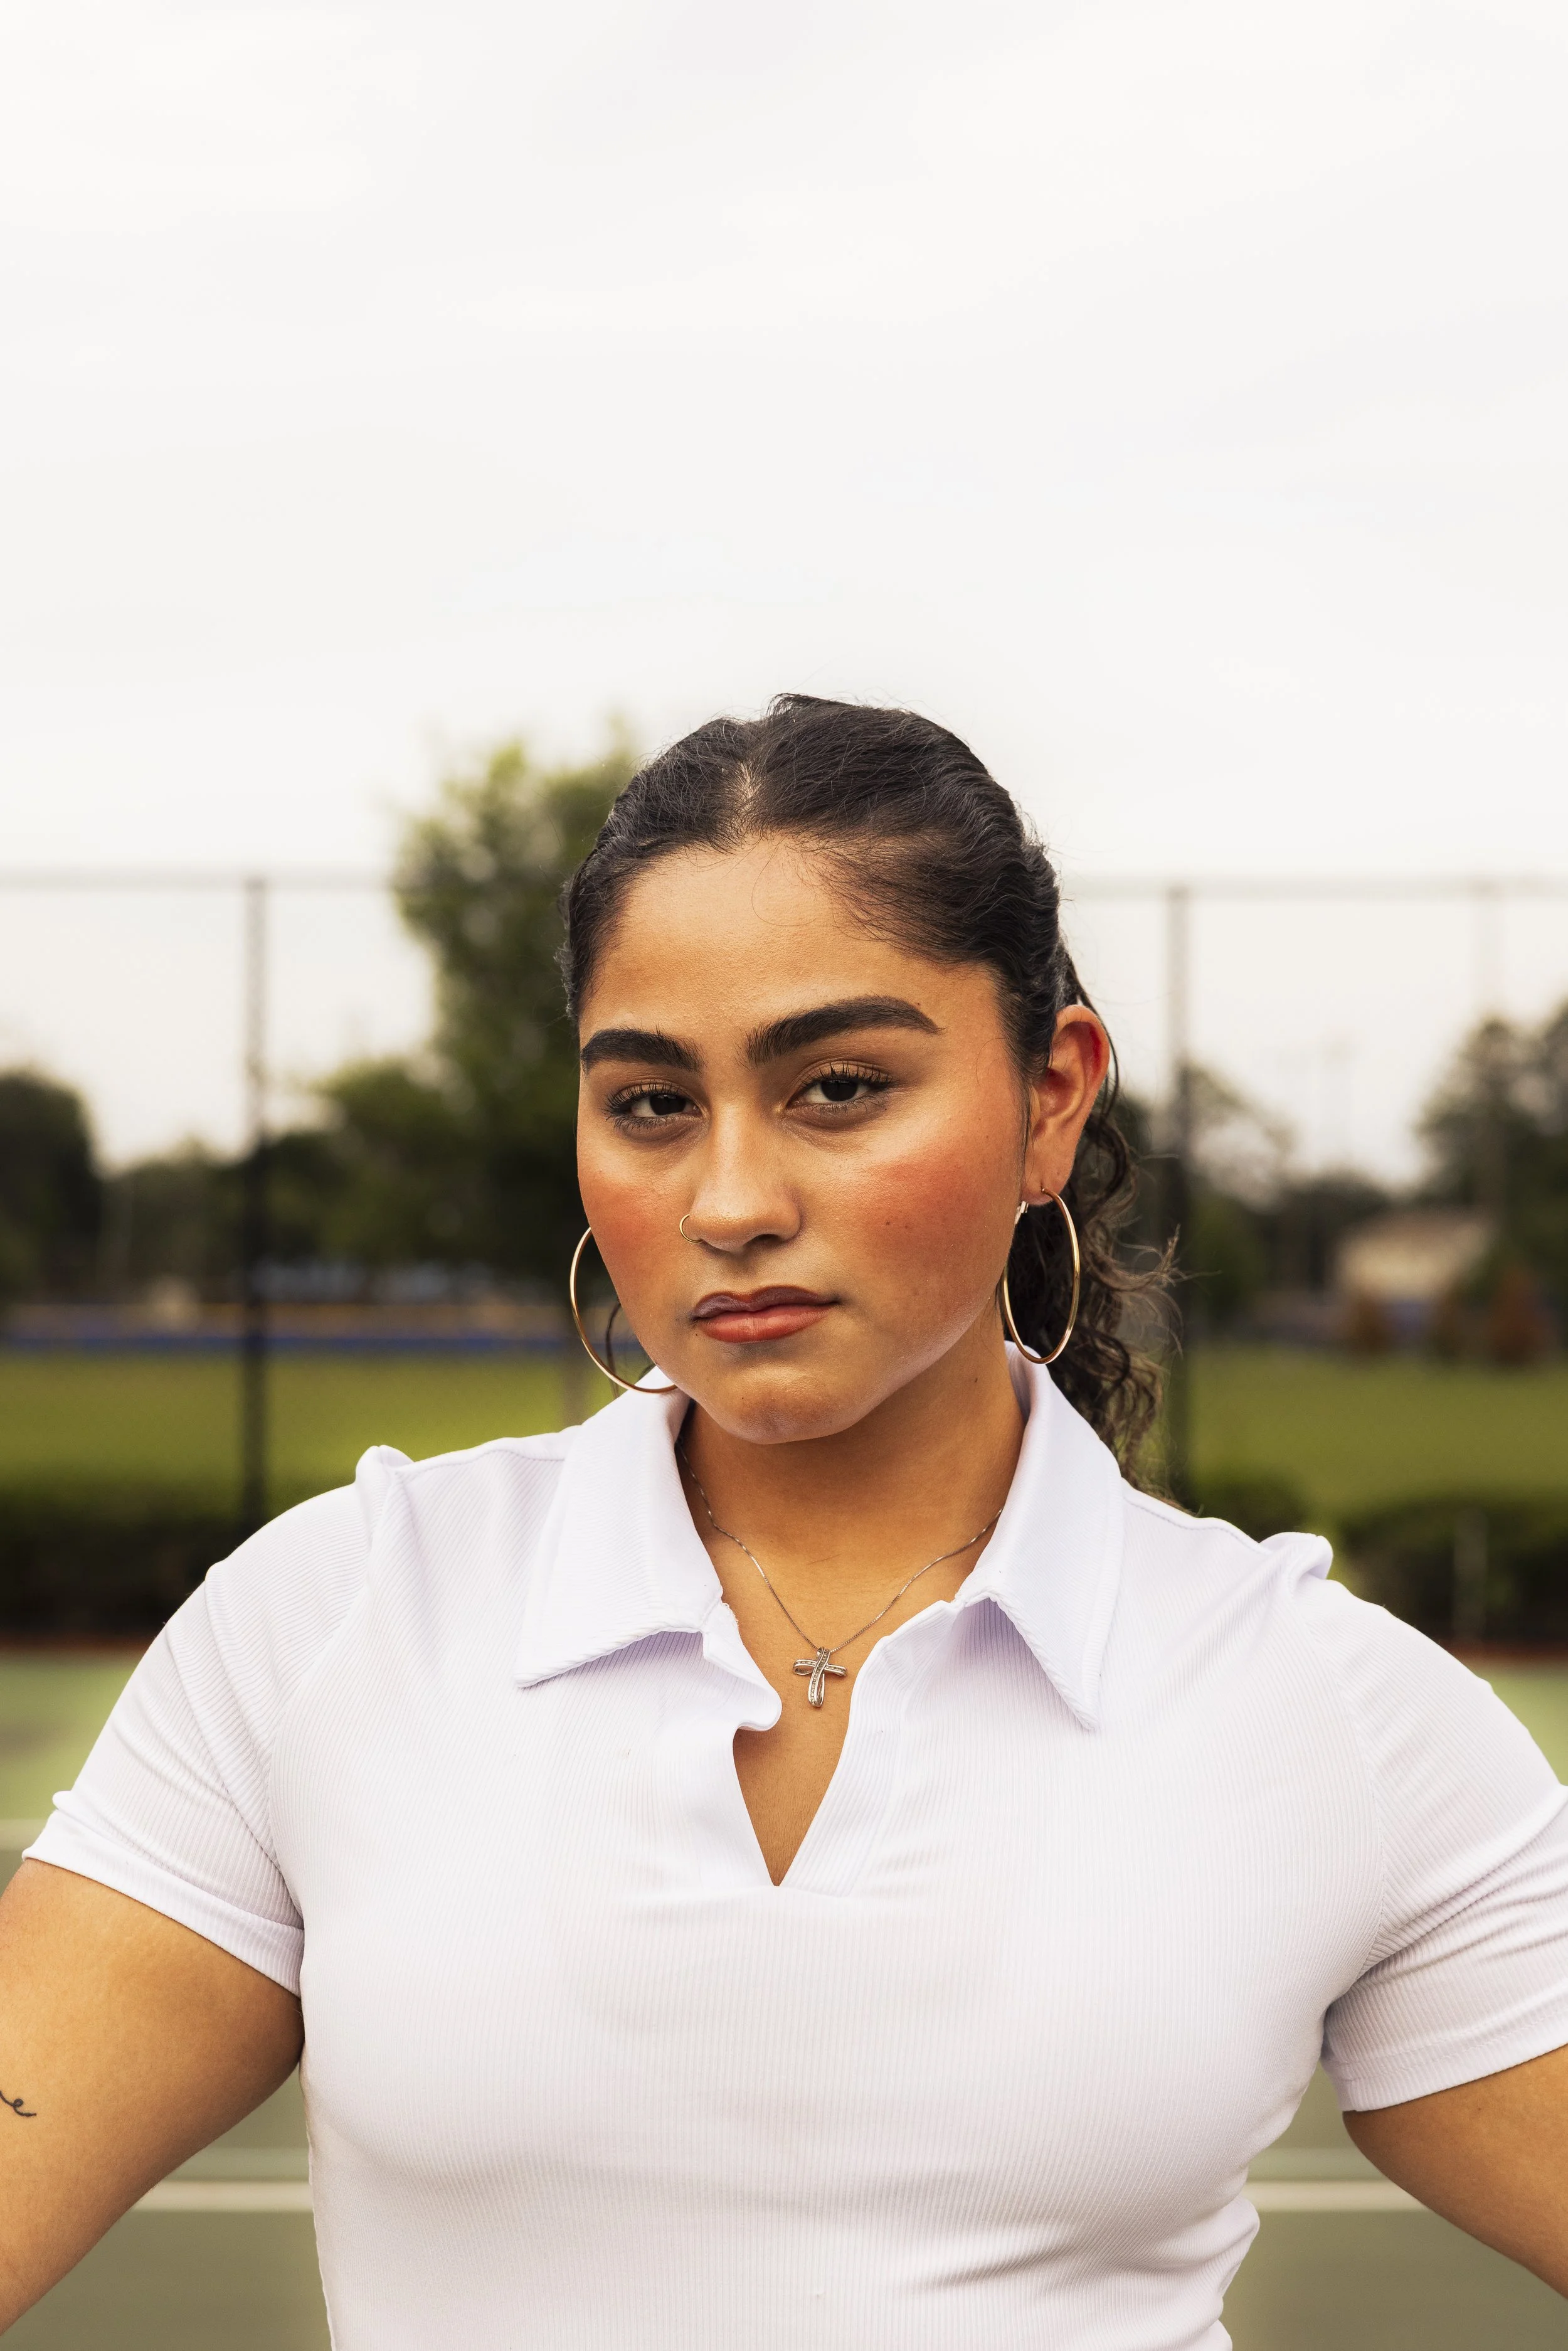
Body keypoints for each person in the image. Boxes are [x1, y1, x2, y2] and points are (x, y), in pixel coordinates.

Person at [3, 696, 1567, 2348]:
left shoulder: (1337, 1718)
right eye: (653, 1105)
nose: (729, 1202)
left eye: (835, 1085)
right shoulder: (332, 1621)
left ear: (1051, 1095)